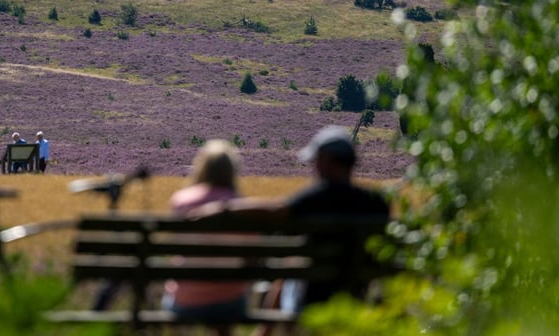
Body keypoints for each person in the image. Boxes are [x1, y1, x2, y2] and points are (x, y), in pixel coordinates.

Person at [198, 125, 389, 312]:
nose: (314, 167)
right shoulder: (376, 203)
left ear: (327, 161)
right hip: (358, 298)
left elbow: (275, 211)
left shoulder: (314, 200)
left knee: (286, 277)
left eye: (316, 161)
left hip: (313, 299)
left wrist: (224, 209)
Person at [162, 140, 249, 334]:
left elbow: (176, 247)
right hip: (231, 302)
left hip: (186, 300)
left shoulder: (181, 202)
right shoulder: (244, 207)